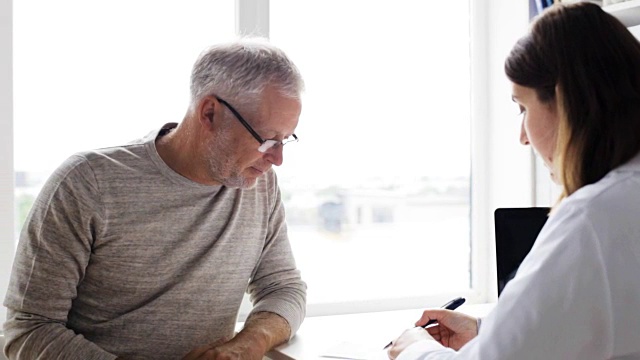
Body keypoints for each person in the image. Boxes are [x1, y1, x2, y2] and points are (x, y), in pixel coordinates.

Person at [3, 38, 307, 360]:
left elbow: (284, 289)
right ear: (209, 113)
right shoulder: (87, 184)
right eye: (266, 139)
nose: (276, 159)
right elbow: (29, 330)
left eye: (285, 140)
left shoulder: (259, 186)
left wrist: (245, 347)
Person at [388, 3, 640, 359]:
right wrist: (488, 331)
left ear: (566, 102)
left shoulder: (591, 217)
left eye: (523, 108)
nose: (523, 136)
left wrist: (416, 350)